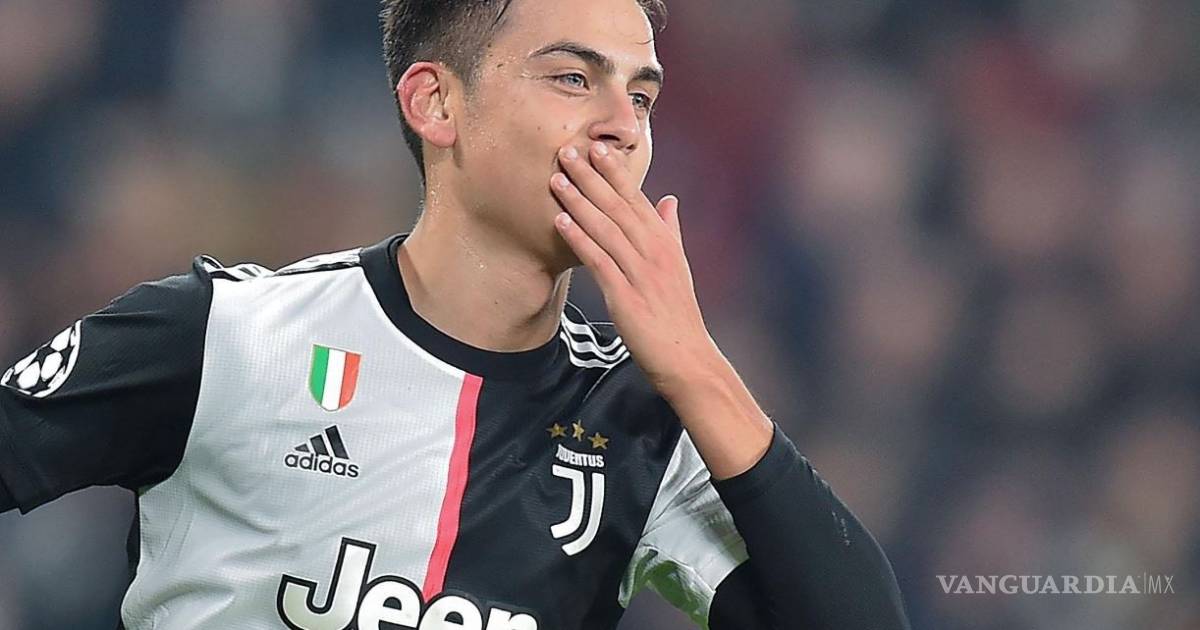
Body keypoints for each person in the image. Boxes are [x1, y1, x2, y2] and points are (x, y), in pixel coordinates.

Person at [0, 1, 910, 628]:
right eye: (572, 78)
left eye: (641, 95)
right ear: (435, 102)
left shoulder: (639, 425)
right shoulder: (228, 336)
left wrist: (696, 366)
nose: (623, 126)